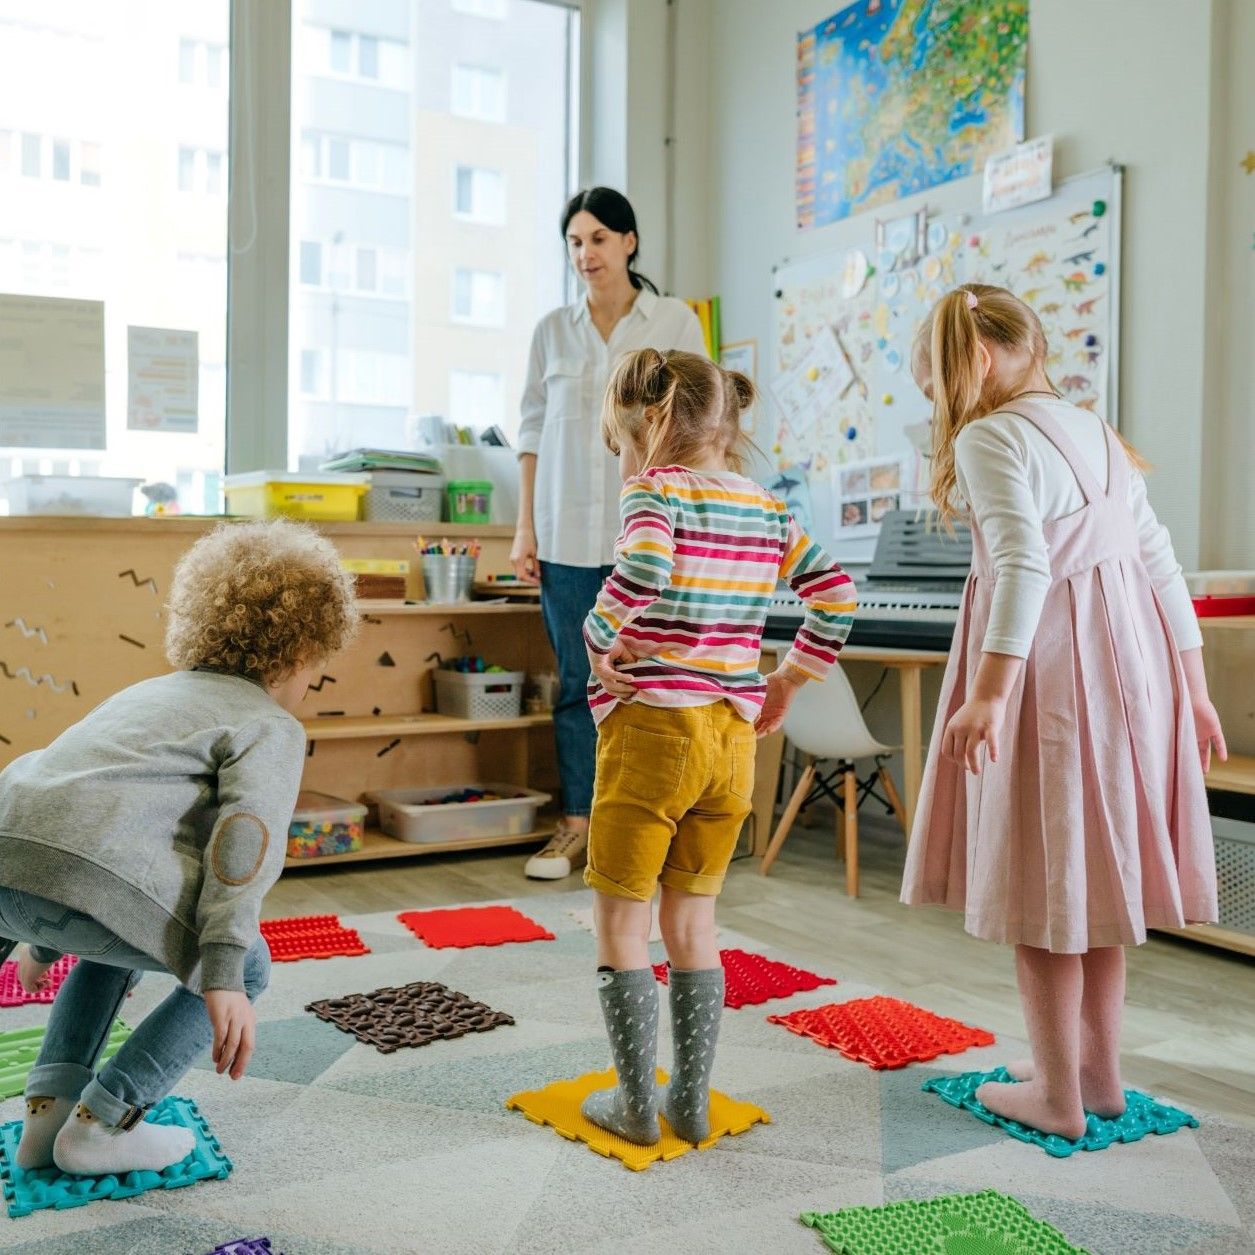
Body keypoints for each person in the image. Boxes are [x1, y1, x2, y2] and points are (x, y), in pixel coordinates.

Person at [901, 285, 1225, 1139]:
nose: (933, 401)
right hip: (1132, 675)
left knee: (1043, 883)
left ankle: (1054, 1097)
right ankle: (1093, 1074)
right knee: (1094, 877)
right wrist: (1193, 690)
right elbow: (1159, 562)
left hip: (1051, 678)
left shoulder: (988, 434)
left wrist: (987, 694)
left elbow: (1023, 566)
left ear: (973, 360)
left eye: (931, 380)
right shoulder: (1096, 432)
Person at [0, 520, 357, 1176]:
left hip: (10, 857)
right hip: (72, 876)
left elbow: (77, 814)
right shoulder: (266, 724)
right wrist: (221, 974)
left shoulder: (147, 694)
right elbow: (241, 840)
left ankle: (47, 1109)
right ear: (300, 650)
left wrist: (40, 937)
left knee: (115, 929)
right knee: (248, 963)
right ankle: (105, 1121)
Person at [578, 348, 856, 1145]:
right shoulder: (769, 510)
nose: (623, 457)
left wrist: (597, 635)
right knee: (693, 924)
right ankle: (689, 1100)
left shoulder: (653, 492)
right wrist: (787, 680)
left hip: (653, 730)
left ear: (649, 424)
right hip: (732, 741)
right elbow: (835, 595)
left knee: (622, 924)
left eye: (620, 440)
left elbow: (643, 566)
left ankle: (635, 1104)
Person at [513, 187, 708, 881]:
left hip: (651, 533)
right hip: (564, 533)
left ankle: (657, 829)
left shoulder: (675, 321)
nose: (585, 253)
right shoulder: (551, 332)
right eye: (574, 241)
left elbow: (696, 425)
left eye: (597, 238)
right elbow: (531, 432)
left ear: (628, 241)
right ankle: (577, 826)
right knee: (575, 682)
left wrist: (693, 523)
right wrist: (523, 528)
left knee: (655, 679)